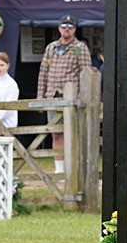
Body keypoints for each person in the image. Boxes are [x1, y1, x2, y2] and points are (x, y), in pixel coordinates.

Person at [36, 14, 92, 172]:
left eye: (70, 27)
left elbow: (86, 74)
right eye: (63, 26)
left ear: (74, 29)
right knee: (56, 133)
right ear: (59, 28)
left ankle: (75, 168)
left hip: (72, 98)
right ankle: (59, 170)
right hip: (52, 96)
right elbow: (43, 73)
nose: (66, 29)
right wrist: (41, 97)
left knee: (74, 134)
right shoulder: (51, 47)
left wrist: (82, 98)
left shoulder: (80, 48)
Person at [0, 52, 20, 130]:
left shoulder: (11, 84)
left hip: (6, 126)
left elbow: (7, 109)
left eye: (2, 65)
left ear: (7, 66)